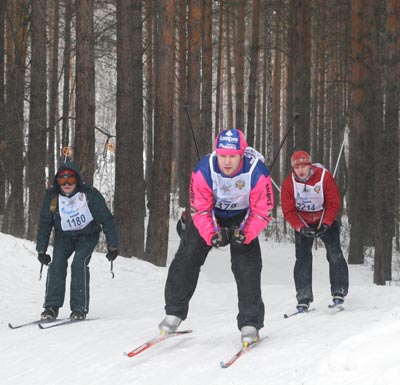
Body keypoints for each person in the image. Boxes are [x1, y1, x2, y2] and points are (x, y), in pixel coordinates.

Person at [158, 129, 274, 346]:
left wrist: (245, 233)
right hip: (211, 215)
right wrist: (212, 234)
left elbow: (263, 210)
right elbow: (200, 209)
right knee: (188, 255)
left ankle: (251, 322)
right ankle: (174, 312)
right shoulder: (204, 169)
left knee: (246, 265)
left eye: (232, 156)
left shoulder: (257, 171)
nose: (227, 161)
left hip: (243, 217)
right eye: (222, 155)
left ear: (242, 154)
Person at [36, 161, 118, 321]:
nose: (66, 184)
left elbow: (107, 219)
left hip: (87, 235)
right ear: (57, 182)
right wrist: (41, 250)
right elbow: (45, 223)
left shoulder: (89, 195)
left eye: (71, 180)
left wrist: (113, 245)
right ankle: (51, 307)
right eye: (62, 180)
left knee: (79, 263)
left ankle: (79, 308)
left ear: (77, 180)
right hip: (64, 237)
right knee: (57, 263)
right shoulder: (53, 198)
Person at [281, 150, 349, 312]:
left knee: (334, 253)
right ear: (293, 169)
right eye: (297, 168)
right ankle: (303, 296)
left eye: (304, 166)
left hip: (325, 219)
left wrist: (326, 223)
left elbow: (334, 202)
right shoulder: (289, 184)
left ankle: (339, 290)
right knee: (302, 258)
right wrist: (300, 227)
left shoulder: (324, 177)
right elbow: (288, 210)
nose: (301, 171)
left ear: (310, 166)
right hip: (304, 223)